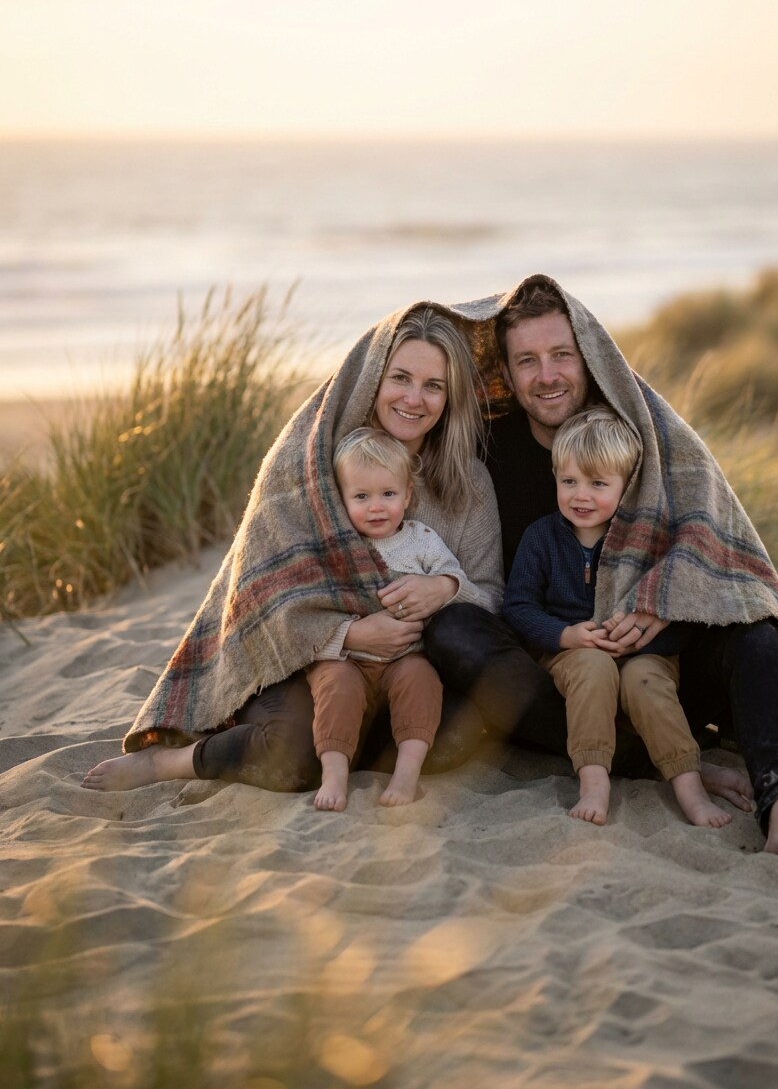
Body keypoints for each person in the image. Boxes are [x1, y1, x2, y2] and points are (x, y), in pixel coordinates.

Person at [424, 274, 778, 867]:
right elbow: (391, 450)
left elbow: (714, 545)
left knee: (757, 627)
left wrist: (664, 600)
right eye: (527, 360)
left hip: (661, 664)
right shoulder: (483, 446)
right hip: (556, 673)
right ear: (505, 370)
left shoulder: (642, 433)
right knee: (453, 631)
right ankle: (667, 761)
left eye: (561, 355)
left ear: (589, 354)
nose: (547, 375)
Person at [82, 307, 502, 796]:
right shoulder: (310, 466)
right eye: (400, 378)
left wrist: (444, 588)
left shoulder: (468, 482)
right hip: (301, 663)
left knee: (455, 737)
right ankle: (170, 762)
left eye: (433, 385)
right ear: (371, 379)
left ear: (450, 397)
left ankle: (340, 743)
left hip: (405, 666)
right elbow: (259, 598)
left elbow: (493, 597)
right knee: (294, 758)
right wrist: (348, 634)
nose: (414, 398)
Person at [504, 406, 735, 828]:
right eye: (569, 481)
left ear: (628, 486)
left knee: (646, 683)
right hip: (572, 653)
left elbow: (680, 611)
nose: (581, 496)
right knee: (593, 669)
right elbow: (518, 607)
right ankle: (594, 783)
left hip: (644, 654)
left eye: (598, 484)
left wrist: (641, 643)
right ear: (554, 476)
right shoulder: (541, 538)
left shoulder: (646, 542)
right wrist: (565, 635)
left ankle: (690, 787)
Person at [310, 427, 474, 811]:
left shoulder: (421, 539)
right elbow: (312, 607)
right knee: (336, 689)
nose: (377, 507)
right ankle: (334, 775)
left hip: (406, 655)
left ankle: (406, 774)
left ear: (408, 495)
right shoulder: (336, 546)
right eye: (361, 497)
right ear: (340, 499)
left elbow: (455, 579)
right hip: (346, 659)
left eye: (388, 494)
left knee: (422, 681)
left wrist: (442, 586)